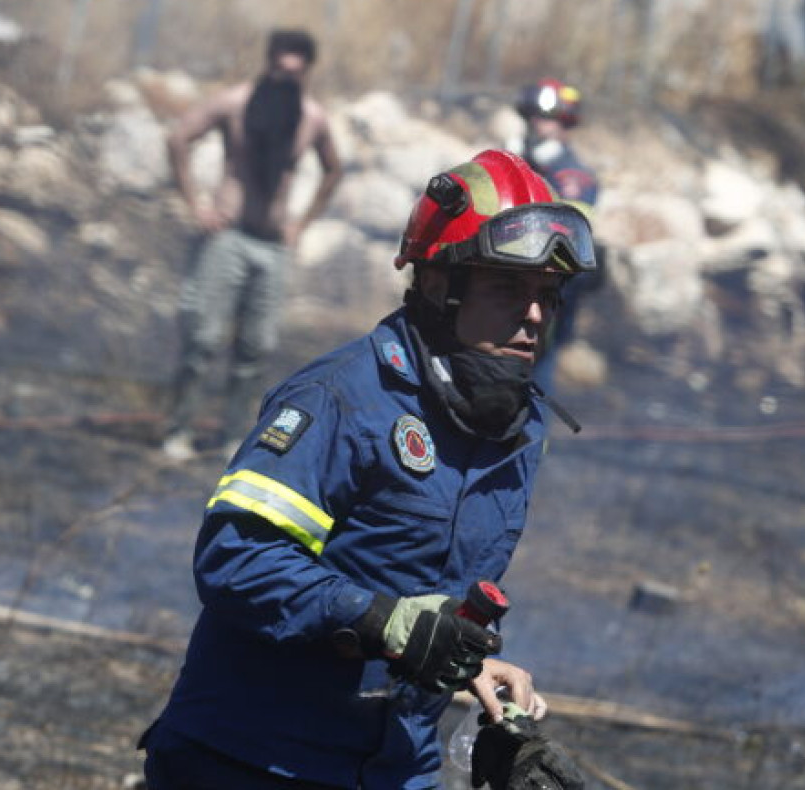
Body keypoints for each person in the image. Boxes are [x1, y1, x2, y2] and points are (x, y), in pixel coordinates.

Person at [138, 149, 598, 789]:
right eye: (507, 289)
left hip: (393, 770)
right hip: (251, 759)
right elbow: (236, 559)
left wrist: (474, 679)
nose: (536, 316)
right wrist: (384, 621)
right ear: (440, 284)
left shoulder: (512, 431)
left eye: (548, 294)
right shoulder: (340, 400)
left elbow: (428, 605)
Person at [163, 28, 344, 461]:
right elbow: (178, 137)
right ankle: (179, 429)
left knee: (256, 347)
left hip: (273, 246)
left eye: (296, 66)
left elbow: (334, 169)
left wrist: (302, 223)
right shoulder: (236, 102)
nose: (286, 72)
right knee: (202, 339)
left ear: (307, 71)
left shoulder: (312, 118)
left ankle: (231, 437)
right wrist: (196, 204)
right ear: (269, 61)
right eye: (280, 63)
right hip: (227, 236)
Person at [512, 79, 602, 395]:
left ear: (565, 126)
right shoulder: (524, 165)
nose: (537, 125)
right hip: (511, 286)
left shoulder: (571, 176)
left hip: (549, 291)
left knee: (534, 375)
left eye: (546, 118)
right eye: (532, 117)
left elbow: (568, 238)